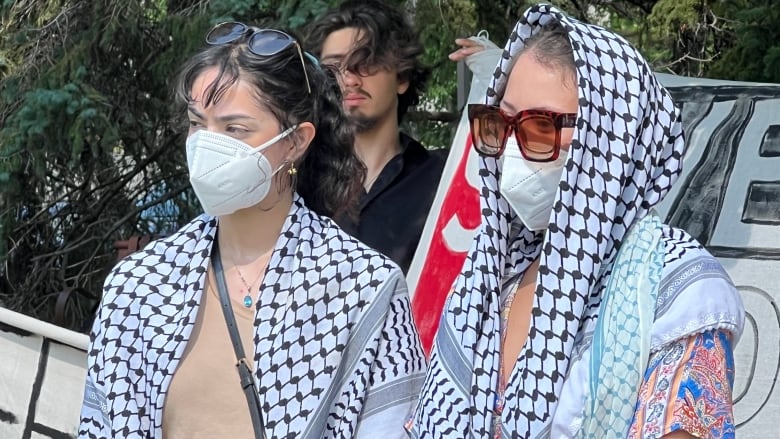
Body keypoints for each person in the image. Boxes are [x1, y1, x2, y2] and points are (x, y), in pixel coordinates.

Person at [408, 4, 744, 438]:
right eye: (500, 121)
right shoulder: (490, 277)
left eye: (540, 128)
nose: (510, 147)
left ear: (608, 144)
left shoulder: (676, 294)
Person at [78, 21, 425, 439]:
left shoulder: (362, 289)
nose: (207, 144)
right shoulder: (139, 284)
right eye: (197, 122)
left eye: (234, 129)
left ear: (296, 141)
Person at [305, 0, 446, 274]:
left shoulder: (443, 179)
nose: (349, 80)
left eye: (365, 63)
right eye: (333, 68)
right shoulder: (298, 183)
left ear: (402, 77)